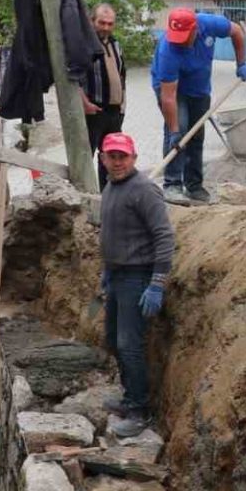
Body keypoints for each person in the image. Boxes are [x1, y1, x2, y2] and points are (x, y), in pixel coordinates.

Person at [97, 132, 175, 439]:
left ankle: (140, 410)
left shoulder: (144, 190)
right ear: (103, 159)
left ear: (134, 159)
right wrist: (107, 269)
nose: (117, 162)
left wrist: (156, 283)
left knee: (130, 345)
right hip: (118, 276)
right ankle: (130, 397)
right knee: (114, 340)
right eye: (112, 157)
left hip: (137, 277)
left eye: (123, 157)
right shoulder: (111, 187)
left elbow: (164, 236)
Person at [152, 8, 246, 205]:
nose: (179, 41)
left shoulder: (210, 24)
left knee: (196, 136)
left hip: (199, 88)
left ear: (195, 29)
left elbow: (237, 32)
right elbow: (168, 97)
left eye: (184, 36)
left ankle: (194, 186)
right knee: (179, 132)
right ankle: (172, 185)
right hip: (172, 90)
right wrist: (174, 131)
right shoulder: (168, 50)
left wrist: (241, 63)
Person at [81, 3, 127, 189]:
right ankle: (84, 193)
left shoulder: (116, 44)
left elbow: (122, 75)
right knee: (86, 155)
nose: (106, 27)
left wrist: (122, 105)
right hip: (93, 110)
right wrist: (84, 103)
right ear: (92, 21)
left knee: (112, 156)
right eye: (102, 22)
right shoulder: (84, 44)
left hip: (114, 112)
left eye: (110, 23)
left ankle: (108, 194)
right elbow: (72, 77)